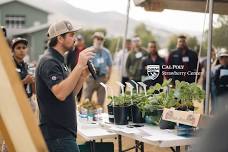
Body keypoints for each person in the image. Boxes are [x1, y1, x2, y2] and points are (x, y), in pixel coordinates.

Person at [35, 20, 94, 152]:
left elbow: (69, 94)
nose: (75, 39)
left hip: (63, 134)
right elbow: (60, 94)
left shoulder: (59, 60)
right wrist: (79, 65)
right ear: (60, 38)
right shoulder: (49, 61)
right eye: (71, 35)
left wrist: (82, 76)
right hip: (57, 135)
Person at [84, 32, 112, 106]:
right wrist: (85, 77)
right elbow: (83, 65)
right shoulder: (88, 51)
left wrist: (108, 76)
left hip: (102, 78)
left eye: (101, 39)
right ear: (94, 39)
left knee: (101, 102)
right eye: (97, 39)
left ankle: (99, 117)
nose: (99, 41)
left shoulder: (107, 52)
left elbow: (110, 65)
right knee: (86, 100)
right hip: (91, 78)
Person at [11, 37, 36, 110]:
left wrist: (33, 81)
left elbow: (33, 90)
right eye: (18, 48)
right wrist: (24, 81)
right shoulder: (9, 65)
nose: (21, 50)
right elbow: (9, 86)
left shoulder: (26, 65)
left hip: (29, 99)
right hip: (16, 102)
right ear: (13, 51)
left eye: (24, 48)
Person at [66, 34, 86, 102]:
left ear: (83, 41)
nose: (79, 42)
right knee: (72, 88)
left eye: (80, 40)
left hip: (83, 72)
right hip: (73, 72)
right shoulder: (71, 50)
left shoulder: (85, 50)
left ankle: (78, 101)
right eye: (78, 40)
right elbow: (67, 63)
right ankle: (72, 102)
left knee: (80, 88)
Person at [211, 48, 228, 113]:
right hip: (221, 91)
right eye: (222, 58)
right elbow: (216, 81)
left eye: (226, 57)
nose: (224, 59)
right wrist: (218, 91)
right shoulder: (218, 69)